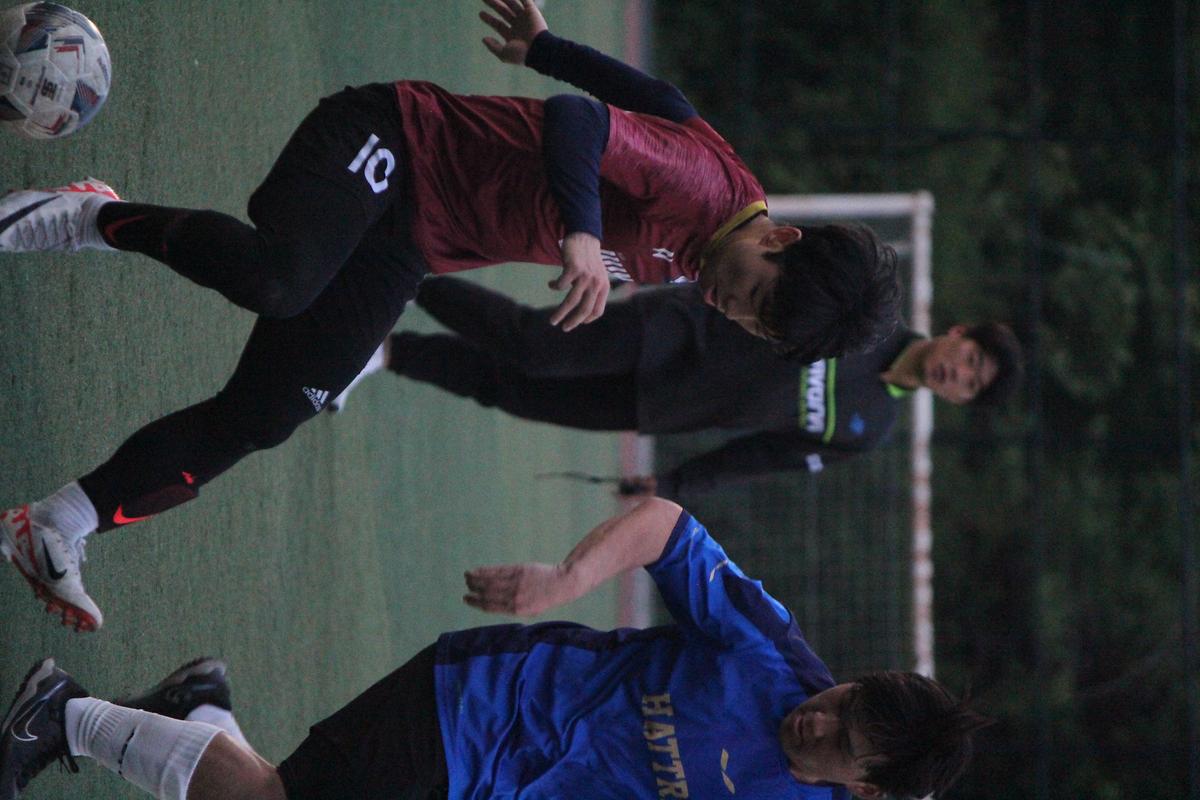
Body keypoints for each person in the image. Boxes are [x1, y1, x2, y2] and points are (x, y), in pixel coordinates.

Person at [0, 0, 900, 632]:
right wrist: (583, 230)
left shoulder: (720, 233)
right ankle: (90, 218)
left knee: (272, 411)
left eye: (753, 326)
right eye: (755, 294)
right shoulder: (705, 195)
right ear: (778, 237)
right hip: (395, 140)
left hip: (411, 244)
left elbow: (668, 107)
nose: (734, 309)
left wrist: (547, 47)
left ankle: (60, 523)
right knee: (282, 280)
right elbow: (579, 123)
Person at [1, 499, 989, 800]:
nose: (820, 717)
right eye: (846, 698)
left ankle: (201, 708)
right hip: (484, 705)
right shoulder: (767, 652)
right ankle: (66, 715)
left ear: (866, 790)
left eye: (842, 740)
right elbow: (665, 527)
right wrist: (566, 577)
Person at [332, 277, 1023, 500]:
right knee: (537, 346)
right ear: (959, 332)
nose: (959, 374)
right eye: (970, 359)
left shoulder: (867, 430)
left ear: (959, 400)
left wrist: (673, 484)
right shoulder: (867, 316)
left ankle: (388, 350)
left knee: (518, 392)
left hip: (664, 406)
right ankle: (408, 276)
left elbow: (759, 456)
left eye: (971, 385)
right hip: (676, 330)